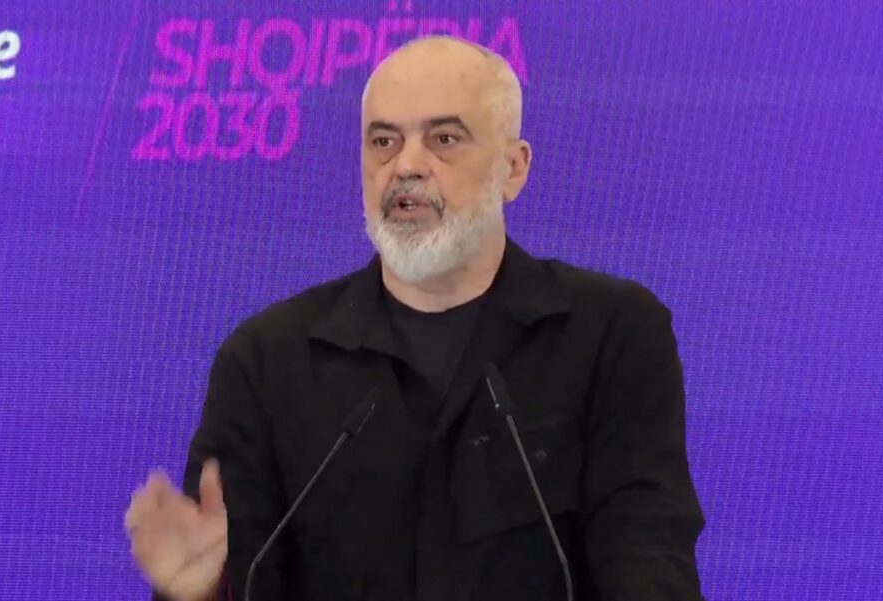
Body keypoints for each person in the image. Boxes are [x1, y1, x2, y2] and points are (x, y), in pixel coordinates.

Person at [124, 35, 706, 601]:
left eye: (444, 138)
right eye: (383, 141)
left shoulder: (611, 335)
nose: (405, 165)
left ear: (512, 168)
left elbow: (648, 553)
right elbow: (242, 575)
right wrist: (199, 592)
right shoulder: (265, 362)